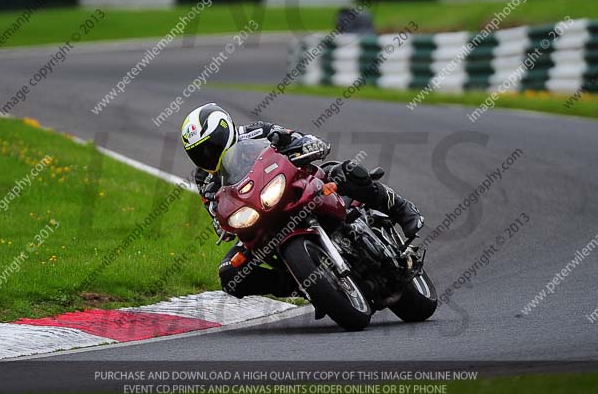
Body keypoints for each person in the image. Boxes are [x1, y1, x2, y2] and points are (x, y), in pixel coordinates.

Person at [180, 103, 424, 299]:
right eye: (198, 152)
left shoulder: (256, 132)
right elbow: (214, 210)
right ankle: (295, 282)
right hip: (262, 218)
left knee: (345, 172)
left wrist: (307, 145)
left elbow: (294, 138)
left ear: (225, 130)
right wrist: (222, 222)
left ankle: (401, 207)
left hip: (296, 187)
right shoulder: (205, 179)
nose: (206, 155)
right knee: (229, 273)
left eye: (210, 146)